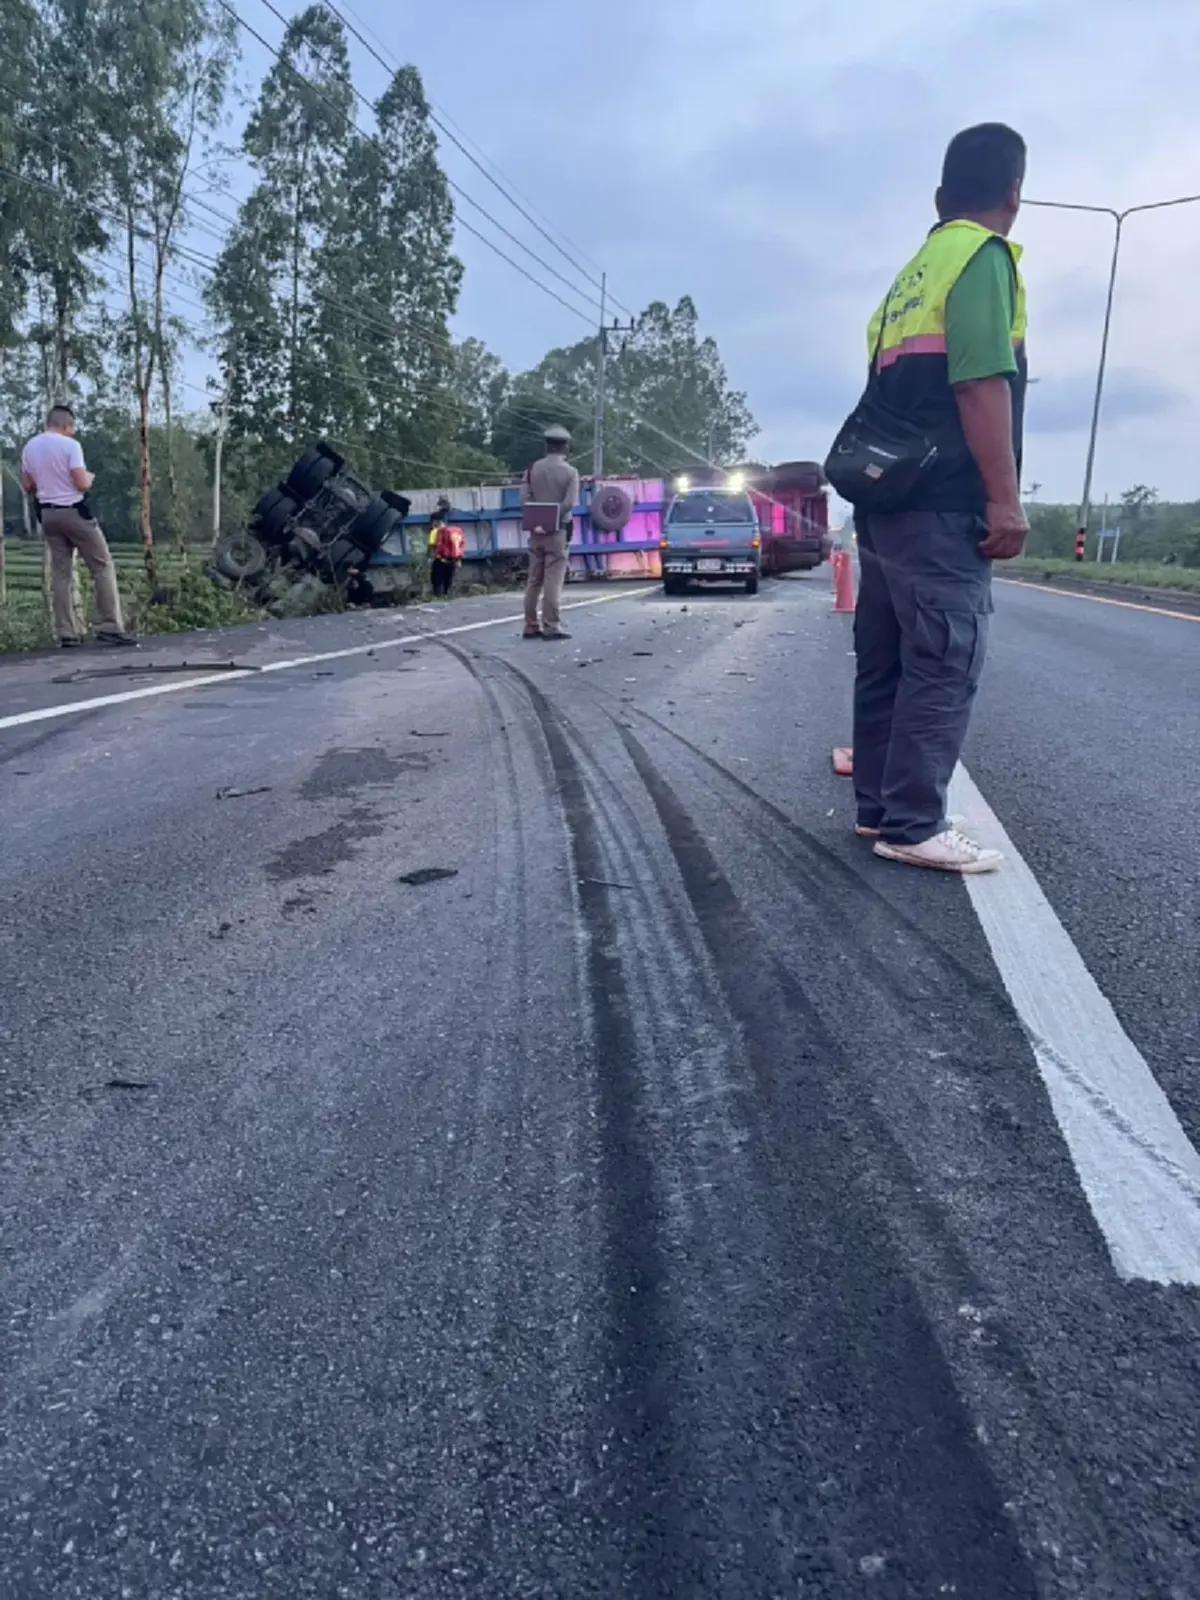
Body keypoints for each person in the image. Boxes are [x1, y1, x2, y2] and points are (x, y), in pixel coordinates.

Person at [850, 123, 1029, 874]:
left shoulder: (913, 275)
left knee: (887, 661)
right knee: (943, 660)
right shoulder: (981, 258)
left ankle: (879, 809)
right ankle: (915, 823)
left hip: (884, 501)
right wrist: (1005, 500)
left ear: (938, 197)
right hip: (940, 503)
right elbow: (980, 382)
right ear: (1014, 194)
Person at [20, 405, 136, 648]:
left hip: (48, 515)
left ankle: (66, 632)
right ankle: (110, 625)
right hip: (74, 512)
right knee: (102, 566)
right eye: (72, 428)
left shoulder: (30, 447)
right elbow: (81, 483)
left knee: (60, 573)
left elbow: (28, 486)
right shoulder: (70, 446)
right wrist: (89, 478)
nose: (73, 432)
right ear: (65, 425)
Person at [521, 423, 579, 640]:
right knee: (553, 579)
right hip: (558, 531)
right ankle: (551, 625)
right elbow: (569, 503)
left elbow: (524, 500)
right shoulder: (570, 472)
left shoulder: (532, 469)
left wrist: (540, 517)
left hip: (536, 531)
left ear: (546, 446)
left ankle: (530, 625)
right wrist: (552, 517)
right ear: (566, 447)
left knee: (534, 579)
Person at [430, 516, 466, 599]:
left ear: (435, 524)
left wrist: (432, 555)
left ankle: (438, 595)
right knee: (448, 577)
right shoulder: (455, 532)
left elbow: (432, 545)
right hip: (453, 559)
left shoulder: (435, 532)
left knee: (437, 577)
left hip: (441, 558)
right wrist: (459, 559)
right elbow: (460, 545)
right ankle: (447, 594)